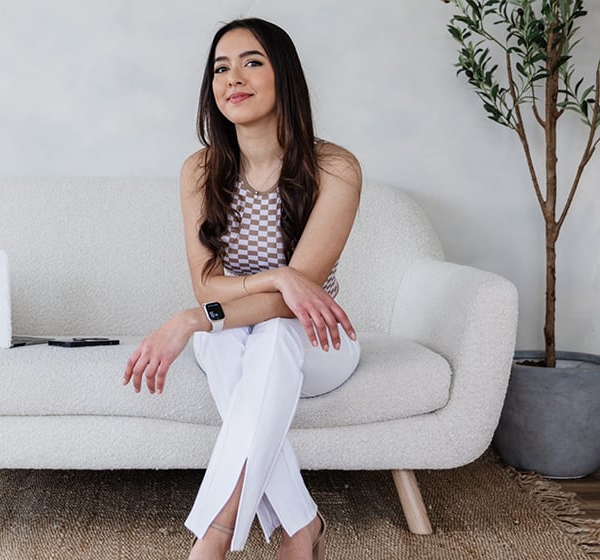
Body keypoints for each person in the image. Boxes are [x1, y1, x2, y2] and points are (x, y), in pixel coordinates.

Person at [123, 17, 362, 560]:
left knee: (276, 334)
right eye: (220, 68)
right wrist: (276, 274)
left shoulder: (335, 168)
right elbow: (207, 282)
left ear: (285, 77)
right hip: (227, 334)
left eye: (252, 62)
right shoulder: (200, 171)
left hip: (318, 340)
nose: (234, 78)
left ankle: (216, 535)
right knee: (243, 343)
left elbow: (289, 303)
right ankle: (301, 529)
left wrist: (192, 317)